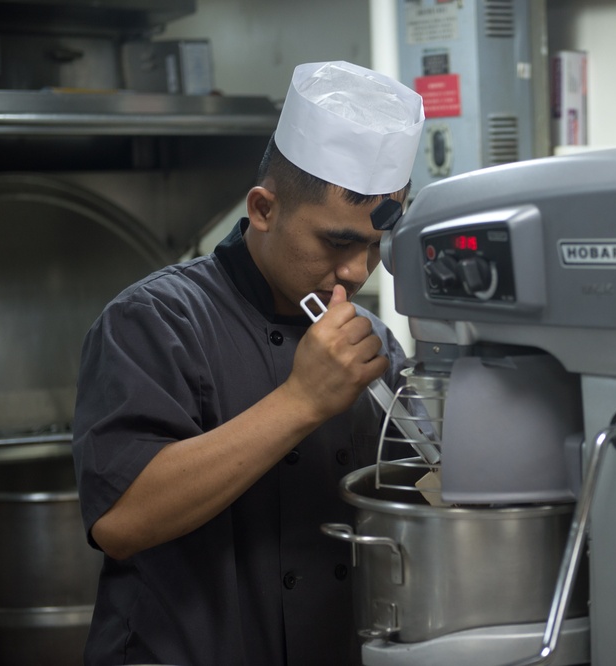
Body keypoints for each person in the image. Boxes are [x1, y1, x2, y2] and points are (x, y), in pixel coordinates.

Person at [72, 61, 425, 665]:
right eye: (337, 243)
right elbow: (122, 521)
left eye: (373, 248)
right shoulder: (156, 320)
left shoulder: (370, 344)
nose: (355, 273)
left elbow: (419, 490)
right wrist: (301, 401)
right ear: (263, 209)